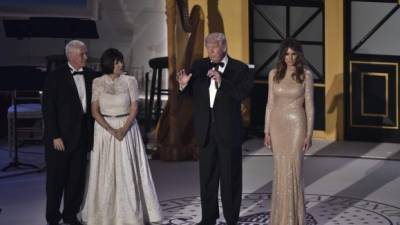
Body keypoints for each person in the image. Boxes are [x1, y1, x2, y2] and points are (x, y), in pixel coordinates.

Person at [176, 32, 253, 225]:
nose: (210, 51)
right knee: (207, 178)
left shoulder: (240, 69)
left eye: (215, 47)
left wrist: (222, 81)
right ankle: (208, 218)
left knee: (230, 178)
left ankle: (231, 219)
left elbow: (241, 94)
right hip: (205, 131)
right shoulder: (199, 66)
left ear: (224, 47)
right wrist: (184, 86)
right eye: (208, 47)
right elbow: (192, 95)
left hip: (228, 131)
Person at [80, 48, 162, 225]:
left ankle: (131, 214)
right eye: (117, 62)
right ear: (109, 63)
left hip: (127, 128)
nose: (121, 64)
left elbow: (134, 108)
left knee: (128, 169)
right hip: (104, 131)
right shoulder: (98, 82)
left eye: (121, 61)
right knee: (106, 171)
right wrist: (110, 130)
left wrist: (123, 129)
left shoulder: (129, 81)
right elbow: (94, 111)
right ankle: (104, 214)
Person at [43, 40, 97, 225]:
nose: (86, 57)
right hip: (60, 137)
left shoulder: (90, 75)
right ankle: (52, 216)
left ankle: (70, 215)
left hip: (82, 135)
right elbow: (48, 109)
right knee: (56, 180)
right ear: (71, 55)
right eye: (83, 54)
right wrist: (54, 135)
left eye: (86, 53)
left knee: (77, 179)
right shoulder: (54, 77)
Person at [264, 38, 314, 225]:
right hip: (277, 125)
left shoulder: (305, 75)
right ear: (282, 55)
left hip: (296, 125)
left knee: (294, 169)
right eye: (286, 53)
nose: (290, 58)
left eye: (293, 54)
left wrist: (309, 134)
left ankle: (295, 219)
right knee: (280, 170)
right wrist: (266, 131)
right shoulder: (274, 74)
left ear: (298, 55)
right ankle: (280, 219)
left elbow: (310, 107)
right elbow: (270, 104)